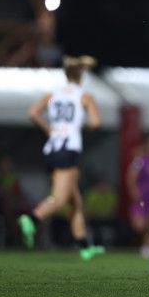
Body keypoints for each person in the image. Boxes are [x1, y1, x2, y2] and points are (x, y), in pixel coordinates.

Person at [21, 55, 105, 261]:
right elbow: (96, 122)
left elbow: (33, 113)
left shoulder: (53, 94)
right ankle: (32, 218)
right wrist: (82, 125)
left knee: (74, 200)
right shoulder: (84, 96)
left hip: (51, 150)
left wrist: (49, 129)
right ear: (81, 75)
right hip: (68, 149)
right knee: (59, 200)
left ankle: (84, 246)